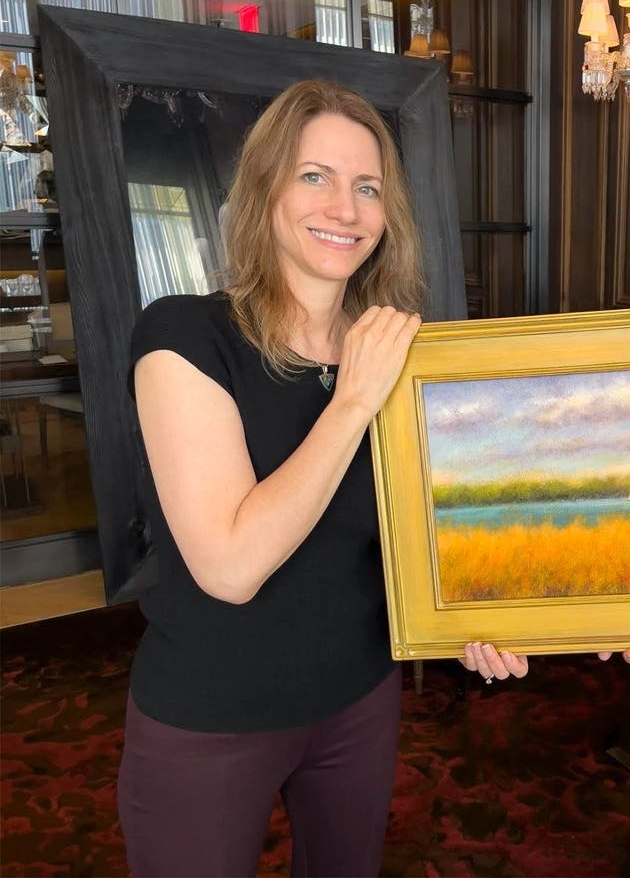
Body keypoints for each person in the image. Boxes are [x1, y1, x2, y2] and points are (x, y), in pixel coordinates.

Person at [117, 79, 527, 877]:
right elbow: (230, 567)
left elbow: (439, 531)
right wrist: (353, 402)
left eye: (367, 187)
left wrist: (482, 617)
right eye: (315, 177)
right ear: (265, 189)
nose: (345, 208)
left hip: (359, 698)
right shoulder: (185, 334)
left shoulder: (401, 353)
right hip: (211, 714)